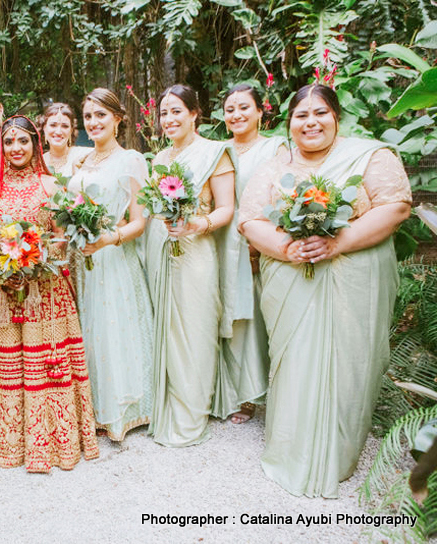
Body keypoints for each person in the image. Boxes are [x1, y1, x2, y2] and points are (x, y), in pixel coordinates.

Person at [239, 84, 411, 498]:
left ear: (336, 117)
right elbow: (249, 220)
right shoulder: (275, 166)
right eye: (301, 115)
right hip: (290, 281)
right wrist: (287, 246)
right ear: (289, 122)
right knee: (294, 361)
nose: (310, 122)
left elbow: (397, 206)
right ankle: (290, 445)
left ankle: (339, 449)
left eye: (320, 113)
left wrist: (338, 242)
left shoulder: (369, 156)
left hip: (353, 281)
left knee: (348, 362)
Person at [0, 115, 99, 472]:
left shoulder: (50, 186)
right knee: (6, 361)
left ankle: (52, 443)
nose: (16, 148)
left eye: (23, 141)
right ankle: (3, 441)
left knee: (44, 363)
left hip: (46, 290)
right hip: (2, 291)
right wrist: (5, 268)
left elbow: (61, 239)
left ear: (35, 144)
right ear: (1, 147)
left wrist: (33, 262)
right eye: (9, 142)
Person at [144, 84, 236, 447]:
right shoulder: (160, 159)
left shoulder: (215, 153)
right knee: (165, 325)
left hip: (197, 250)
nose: (169, 119)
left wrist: (198, 224)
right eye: (164, 113)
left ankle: (193, 411)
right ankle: (165, 403)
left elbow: (227, 208)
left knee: (195, 327)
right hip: (161, 248)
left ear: (195, 113)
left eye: (176, 111)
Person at [67, 88, 155, 441]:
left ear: (118, 118)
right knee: (88, 327)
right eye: (88, 116)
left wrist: (108, 239)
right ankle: (92, 408)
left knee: (114, 328)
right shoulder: (82, 161)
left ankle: (122, 411)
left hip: (114, 256)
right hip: (81, 255)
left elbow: (138, 221)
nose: (94, 122)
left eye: (101, 115)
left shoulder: (131, 159)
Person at [212, 84, 287, 424]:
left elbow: (282, 194)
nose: (237, 114)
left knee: (250, 317)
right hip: (216, 237)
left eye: (244, 107)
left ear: (261, 111)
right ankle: (223, 391)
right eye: (230, 109)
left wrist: (262, 241)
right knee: (219, 312)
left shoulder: (275, 148)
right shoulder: (216, 150)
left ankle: (250, 393)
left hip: (254, 239)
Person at [39, 102, 91, 178]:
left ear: (71, 130)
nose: (58, 132)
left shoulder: (85, 155)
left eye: (65, 126)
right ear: (44, 128)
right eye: (53, 125)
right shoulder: (38, 163)